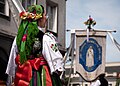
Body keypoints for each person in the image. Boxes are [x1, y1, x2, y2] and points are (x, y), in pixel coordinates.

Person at [6, 5, 64, 86]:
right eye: (45, 15)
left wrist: (12, 80)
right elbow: (57, 63)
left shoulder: (18, 38)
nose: (46, 18)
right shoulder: (45, 38)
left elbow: (12, 63)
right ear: (39, 19)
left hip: (22, 76)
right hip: (39, 75)